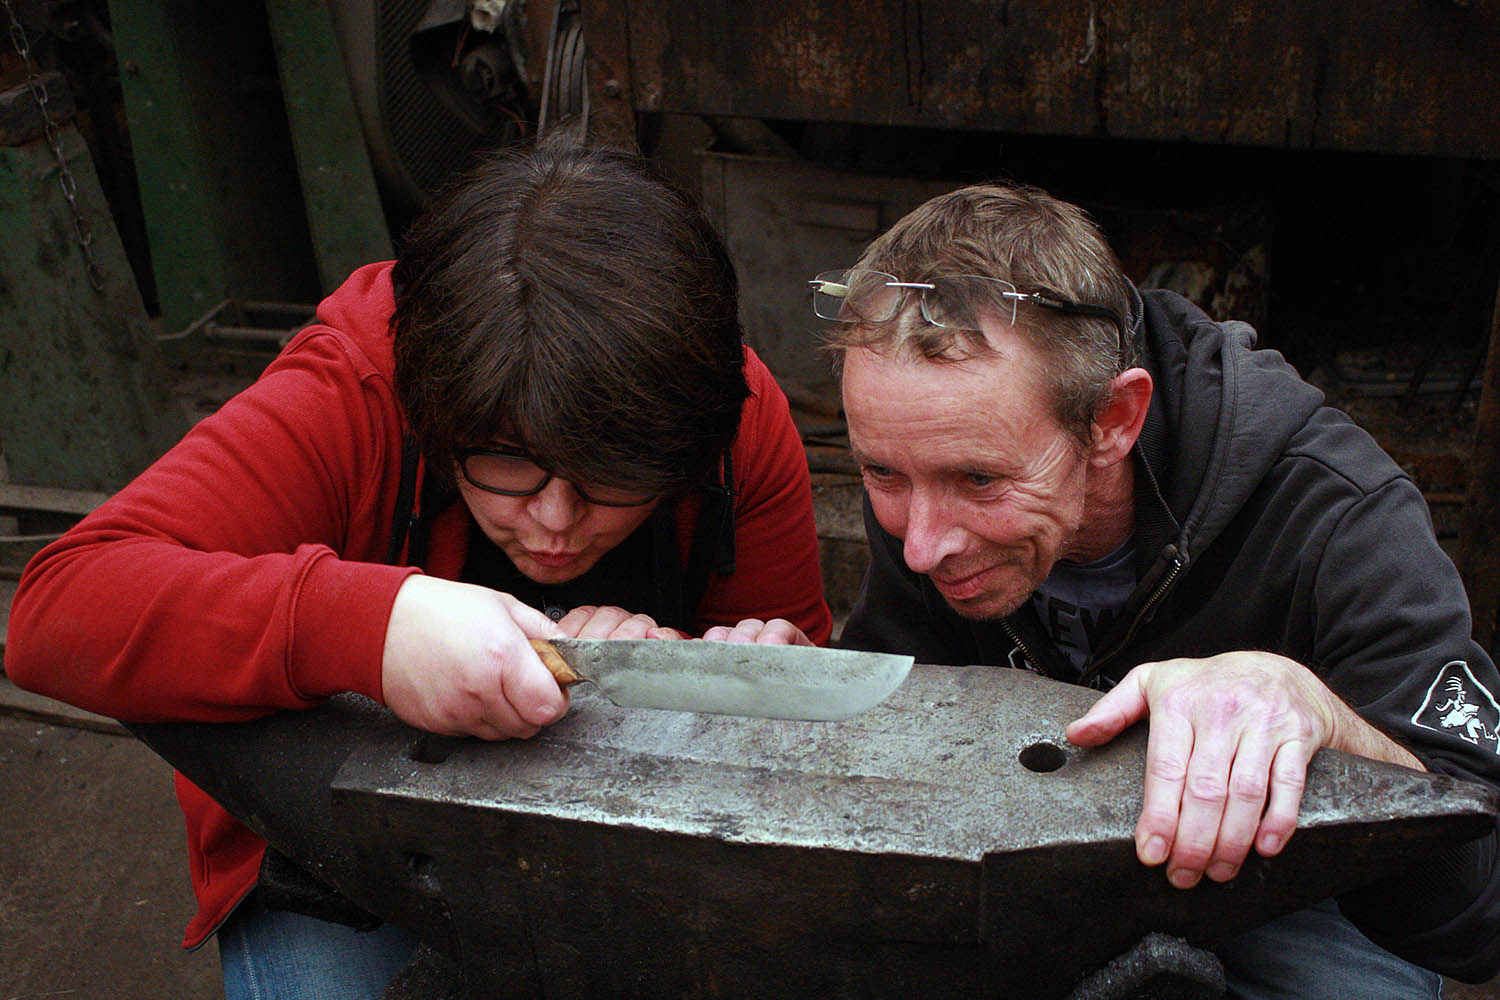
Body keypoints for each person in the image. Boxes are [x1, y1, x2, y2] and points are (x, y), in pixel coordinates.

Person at [5, 142, 832, 998]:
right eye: (507, 462)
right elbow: (59, 606)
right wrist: (374, 627)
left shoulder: (719, 417)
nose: (554, 521)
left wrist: (729, 674)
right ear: (432, 411)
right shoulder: (356, 388)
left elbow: (800, 687)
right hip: (340, 860)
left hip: (626, 843)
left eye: (610, 478)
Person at [800, 182, 1500, 995]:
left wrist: (1329, 722)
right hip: (1030, 876)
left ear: (1114, 419)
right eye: (881, 472)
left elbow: (1482, 913)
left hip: (1280, 893)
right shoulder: (933, 491)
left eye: (981, 479)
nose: (922, 546)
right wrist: (786, 704)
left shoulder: (1336, 518)